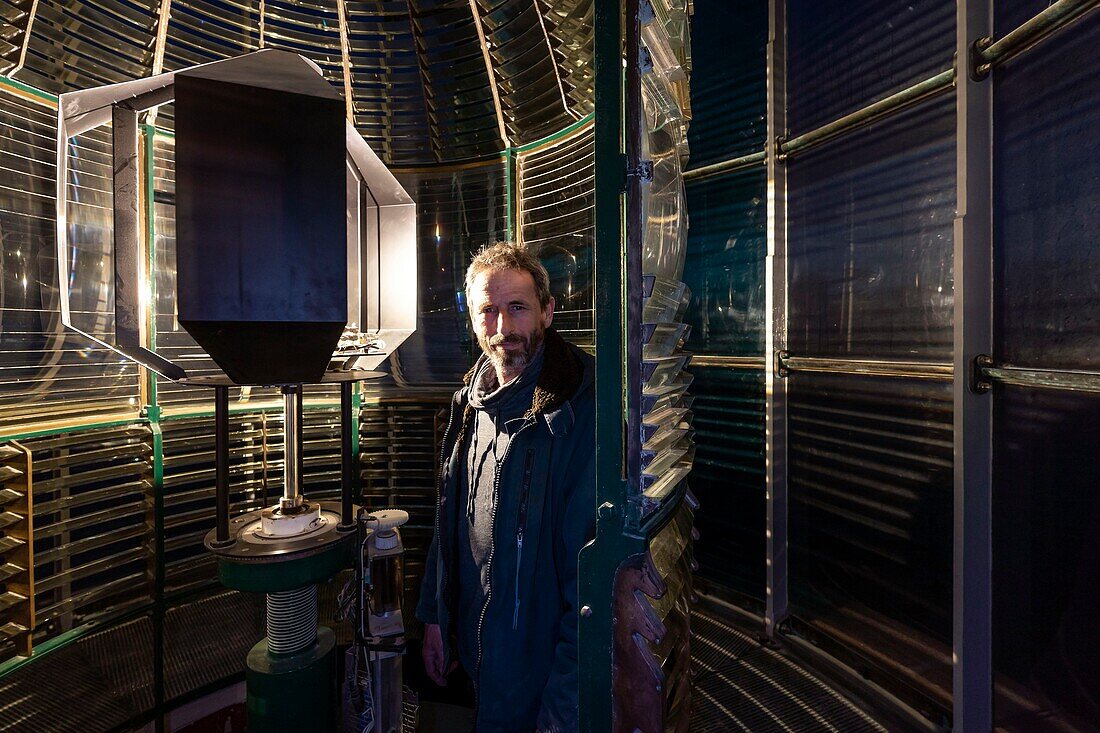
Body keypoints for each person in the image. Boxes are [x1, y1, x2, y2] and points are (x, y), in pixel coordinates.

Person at [416, 241, 596, 732]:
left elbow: (591, 591)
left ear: (547, 312)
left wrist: (561, 713)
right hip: (480, 666)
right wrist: (436, 619)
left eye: (517, 308)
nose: (502, 329)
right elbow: (447, 522)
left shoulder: (578, 415)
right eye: (487, 311)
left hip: (537, 683)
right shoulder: (469, 406)